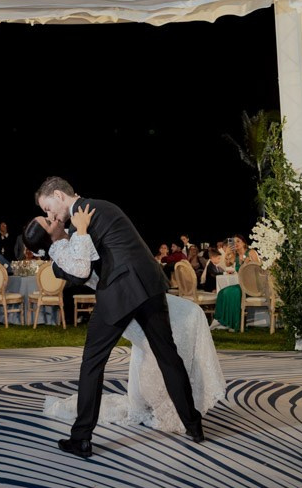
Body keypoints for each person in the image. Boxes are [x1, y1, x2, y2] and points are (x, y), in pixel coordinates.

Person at [33, 177, 204, 458]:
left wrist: (64, 241)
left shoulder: (80, 217)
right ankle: (194, 426)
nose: (50, 214)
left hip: (120, 292)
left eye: (48, 207)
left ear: (59, 195)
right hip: (149, 285)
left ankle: (81, 438)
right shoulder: (100, 206)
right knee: (168, 356)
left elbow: (82, 272)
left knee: (92, 363)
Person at [24, 215, 225, 435]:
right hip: (118, 304)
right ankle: (173, 415)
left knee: (169, 347)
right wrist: (81, 229)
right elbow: (83, 271)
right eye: (48, 221)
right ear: (48, 237)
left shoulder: (76, 235)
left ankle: (186, 418)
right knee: (104, 362)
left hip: (138, 292)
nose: (52, 217)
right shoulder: (60, 262)